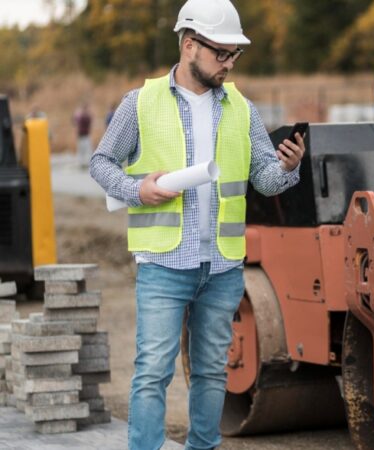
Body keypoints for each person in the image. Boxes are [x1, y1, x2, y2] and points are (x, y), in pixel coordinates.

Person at [88, 0, 306, 448]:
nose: (229, 63)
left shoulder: (242, 108)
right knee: (153, 372)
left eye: (234, 55)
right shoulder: (141, 103)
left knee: (210, 370)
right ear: (190, 45)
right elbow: (101, 162)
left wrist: (286, 168)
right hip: (164, 264)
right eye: (221, 53)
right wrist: (136, 189)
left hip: (222, 267)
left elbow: (263, 181)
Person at [73, 102, 93, 167]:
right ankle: (80, 163)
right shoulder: (80, 116)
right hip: (81, 135)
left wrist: (78, 115)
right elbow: (73, 122)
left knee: (88, 150)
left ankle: (88, 162)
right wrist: (76, 116)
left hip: (86, 135)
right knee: (81, 150)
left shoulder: (86, 116)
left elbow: (89, 121)